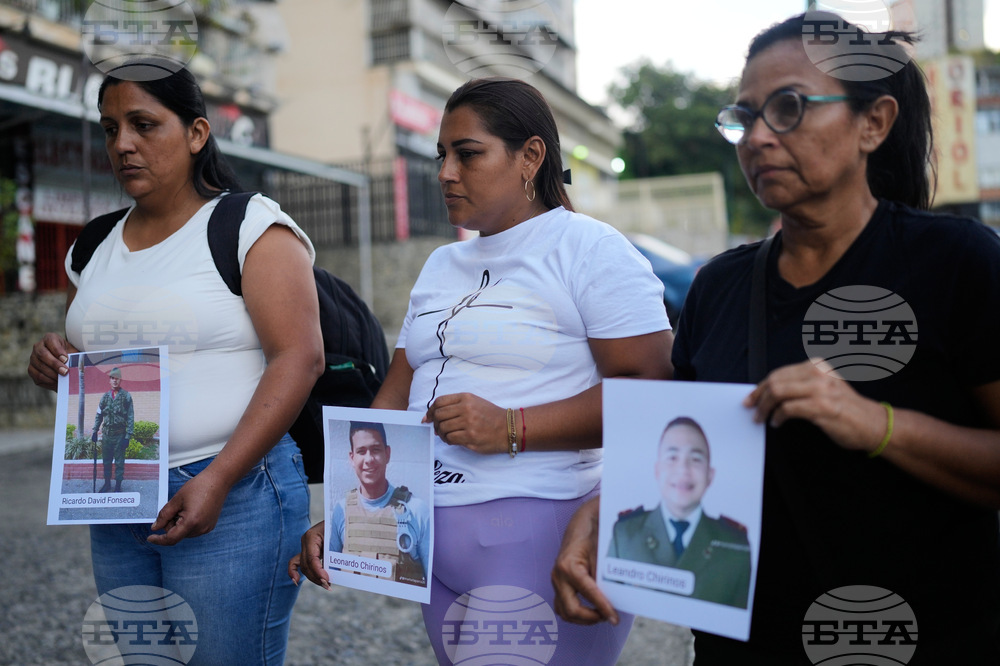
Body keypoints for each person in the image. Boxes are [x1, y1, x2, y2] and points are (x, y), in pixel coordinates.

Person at [553, 12, 1000, 664]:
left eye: (788, 108)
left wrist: (877, 424)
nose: (757, 137)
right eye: (743, 117)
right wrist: (598, 516)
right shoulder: (719, 288)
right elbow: (675, 444)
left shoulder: (958, 264)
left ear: (873, 122)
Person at [289, 77, 673, 664]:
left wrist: (514, 425)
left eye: (467, 154)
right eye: (441, 155)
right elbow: (395, 391)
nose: (445, 172)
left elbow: (653, 395)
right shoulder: (442, 263)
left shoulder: (592, 251)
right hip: (426, 540)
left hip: (540, 532)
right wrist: (346, 511)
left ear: (531, 156)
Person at [27, 62, 323, 666]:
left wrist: (215, 480)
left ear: (196, 133)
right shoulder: (93, 244)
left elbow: (300, 357)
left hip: (235, 492)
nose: (123, 144)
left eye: (143, 124)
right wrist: (54, 362)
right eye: (110, 129)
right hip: (114, 489)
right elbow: (92, 364)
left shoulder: (248, 225)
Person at [607, 417, 750, 608]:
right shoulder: (624, 534)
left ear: (710, 475)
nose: (683, 470)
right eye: (672, 457)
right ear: (657, 470)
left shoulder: (735, 544)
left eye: (696, 459)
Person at [329, 421, 431, 586]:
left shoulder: (416, 509)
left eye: (375, 450)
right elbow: (331, 577)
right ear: (352, 458)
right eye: (361, 451)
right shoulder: (341, 510)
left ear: (387, 453)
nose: (369, 459)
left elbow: (432, 580)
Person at [92, 366, 135, 493]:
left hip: (119, 435)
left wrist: (128, 436)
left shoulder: (126, 396)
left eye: (117, 378)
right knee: (106, 461)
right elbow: (99, 414)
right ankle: (107, 484)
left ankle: (117, 486)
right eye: (112, 378)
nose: (114, 381)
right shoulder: (105, 397)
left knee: (119, 462)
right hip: (106, 436)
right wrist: (95, 431)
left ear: (120, 380)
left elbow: (131, 417)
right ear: (109, 380)